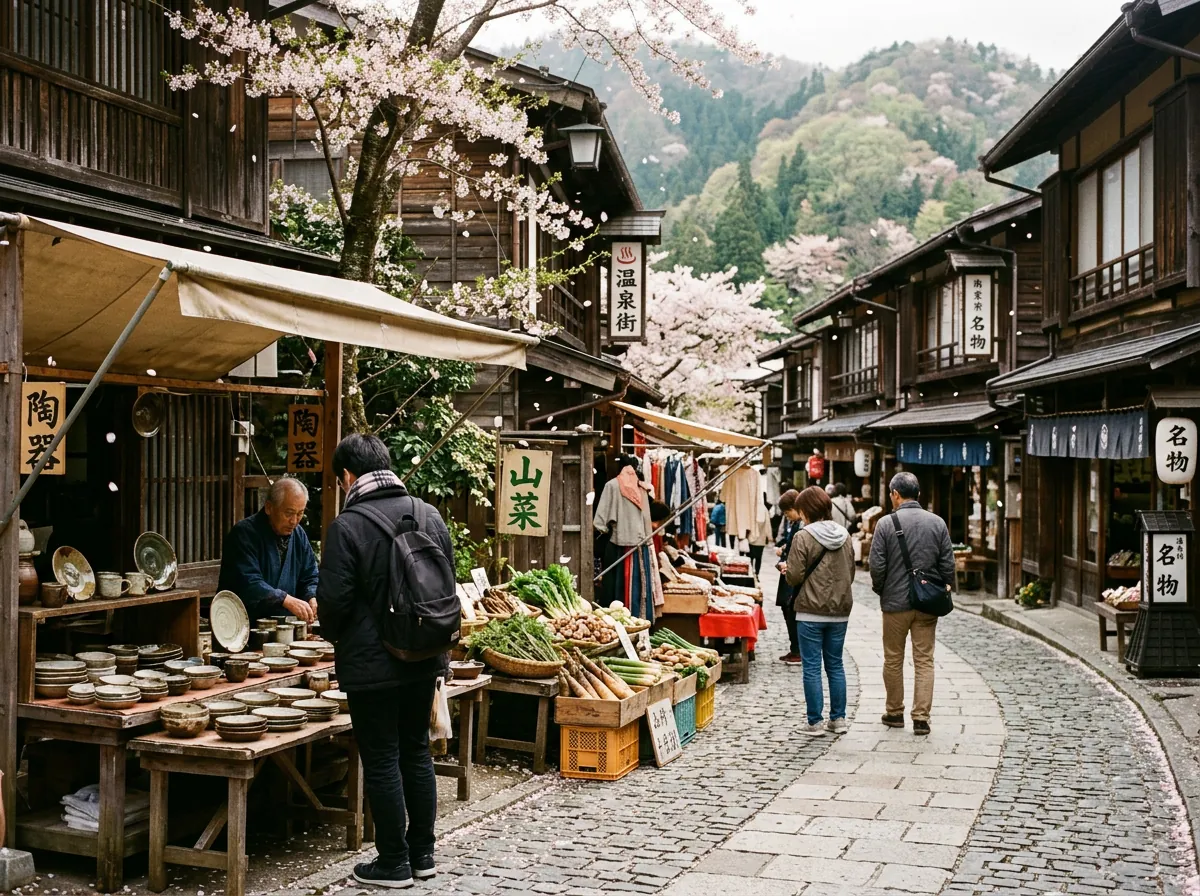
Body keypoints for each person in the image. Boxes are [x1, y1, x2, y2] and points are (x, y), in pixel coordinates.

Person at [318, 433, 451, 888]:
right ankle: (423, 856)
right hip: (424, 655)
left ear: (348, 476)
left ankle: (393, 862)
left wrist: (340, 639)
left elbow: (332, 604)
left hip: (372, 667)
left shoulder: (347, 526)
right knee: (416, 751)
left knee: (381, 758)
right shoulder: (429, 514)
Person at [868, 471, 955, 736]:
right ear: (918, 494)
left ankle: (894, 712)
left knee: (893, 659)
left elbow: (877, 566)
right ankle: (921, 718)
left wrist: (882, 589)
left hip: (895, 604)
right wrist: (945, 585)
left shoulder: (885, 524)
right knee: (924, 660)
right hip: (927, 603)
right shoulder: (937, 523)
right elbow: (947, 563)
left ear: (895, 494)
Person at [785, 486, 855, 737]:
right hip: (839, 612)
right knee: (835, 665)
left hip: (810, 612)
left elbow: (793, 577)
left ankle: (814, 722)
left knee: (812, 667)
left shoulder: (802, 537)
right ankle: (839, 720)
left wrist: (787, 570)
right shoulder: (845, 535)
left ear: (806, 511)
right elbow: (851, 573)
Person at [218, 477, 318, 624]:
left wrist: (311, 596)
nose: (294, 521)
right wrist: (285, 599)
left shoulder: (299, 534)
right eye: (289, 513)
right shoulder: (243, 534)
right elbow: (249, 582)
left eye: (300, 513)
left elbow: (309, 575)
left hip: (285, 626)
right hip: (242, 624)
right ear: (269, 507)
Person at [773, 489, 804, 665]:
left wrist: (785, 555)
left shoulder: (801, 525)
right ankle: (795, 648)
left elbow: (797, 550)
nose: (787, 516)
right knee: (788, 610)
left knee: (791, 611)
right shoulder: (796, 524)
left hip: (791, 573)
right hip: (787, 571)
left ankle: (797, 650)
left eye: (787, 512)